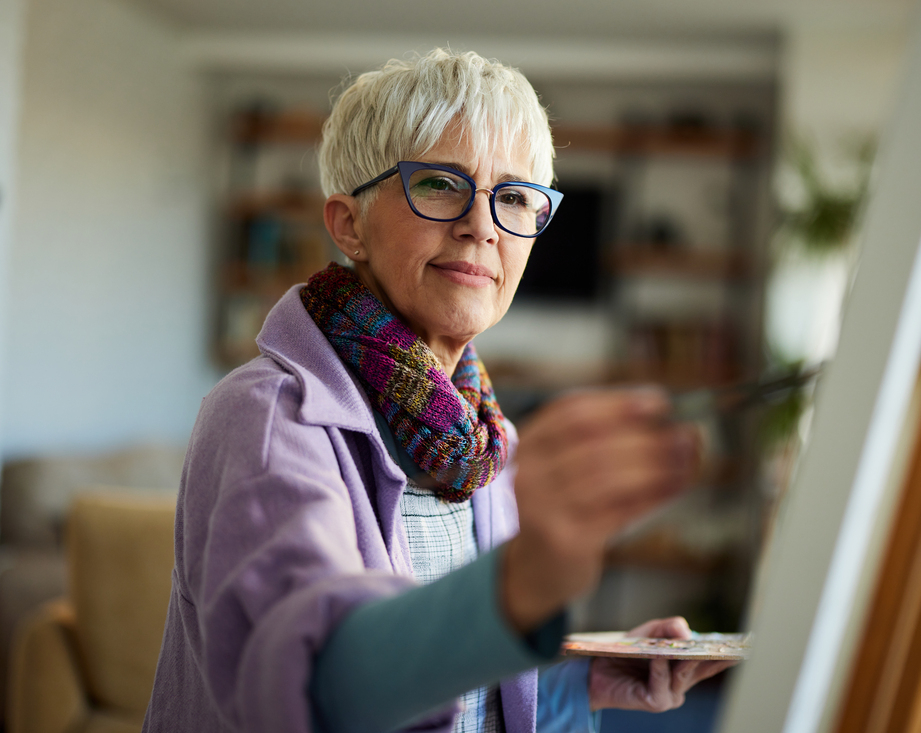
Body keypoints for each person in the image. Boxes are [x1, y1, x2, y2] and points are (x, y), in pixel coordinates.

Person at [143, 49, 730, 733]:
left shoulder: (486, 438)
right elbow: (311, 687)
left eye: (515, 197)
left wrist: (582, 682)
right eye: (442, 184)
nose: (483, 225)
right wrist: (524, 582)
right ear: (349, 224)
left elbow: (469, 702)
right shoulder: (268, 418)